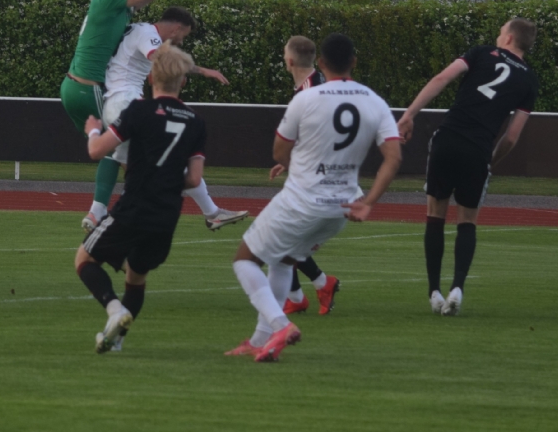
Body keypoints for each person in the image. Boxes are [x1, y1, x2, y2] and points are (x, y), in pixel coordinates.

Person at [228, 34, 403, 362]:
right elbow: (393, 158)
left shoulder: (306, 98)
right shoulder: (374, 101)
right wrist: (368, 202)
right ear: (354, 62)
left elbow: (279, 151)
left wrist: (300, 165)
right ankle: (260, 341)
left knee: (244, 259)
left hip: (303, 201)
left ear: (321, 64)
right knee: (283, 261)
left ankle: (280, 325)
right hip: (341, 209)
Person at [60, 0, 209, 230]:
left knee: (115, 149)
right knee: (129, 147)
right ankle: (140, 204)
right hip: (89, 88)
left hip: (76, 88)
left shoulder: (116, 6)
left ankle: (98, 213)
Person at [397, 18, 539, 317]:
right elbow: (511, 137)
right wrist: (490, 162)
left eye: (501, 32)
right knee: (467, 221)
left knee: (435, 215)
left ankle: (434, 292)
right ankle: (457, 288)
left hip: (448, 138)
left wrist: (409, 115)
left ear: (509, 38)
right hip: (478, 149)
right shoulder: (530, 80)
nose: (498, 36)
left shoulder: (481, 52)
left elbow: (441, 78)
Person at [74, 43, 208, 353]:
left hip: (134, 206)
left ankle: (114, 310)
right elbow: (194, 179)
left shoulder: (139, 110)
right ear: (183, 81)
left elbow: (97, 151)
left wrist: (93, 130)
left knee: (84, 259)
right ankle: (115, 341)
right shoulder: (196, 121)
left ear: (150, 77)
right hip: (167, 214)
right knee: (136, 277)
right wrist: (167, 180)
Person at [83, 6, 249, 233]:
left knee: (131, 167)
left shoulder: (138, 29)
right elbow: (163, 61)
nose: (181, 41)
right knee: (170, 160)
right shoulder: (148, 34)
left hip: (113, 104)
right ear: (177, 28)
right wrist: (202, 71)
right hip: (127, 102)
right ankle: (210, 213)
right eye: (184, 35)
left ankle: (97, 212)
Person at [268, 36, 339, 316]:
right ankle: (305, 292)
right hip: (315, 173)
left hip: (317, 179)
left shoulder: (311, 90)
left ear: (289, 60)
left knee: (279, 236)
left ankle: (309, 290)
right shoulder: (312, 85)